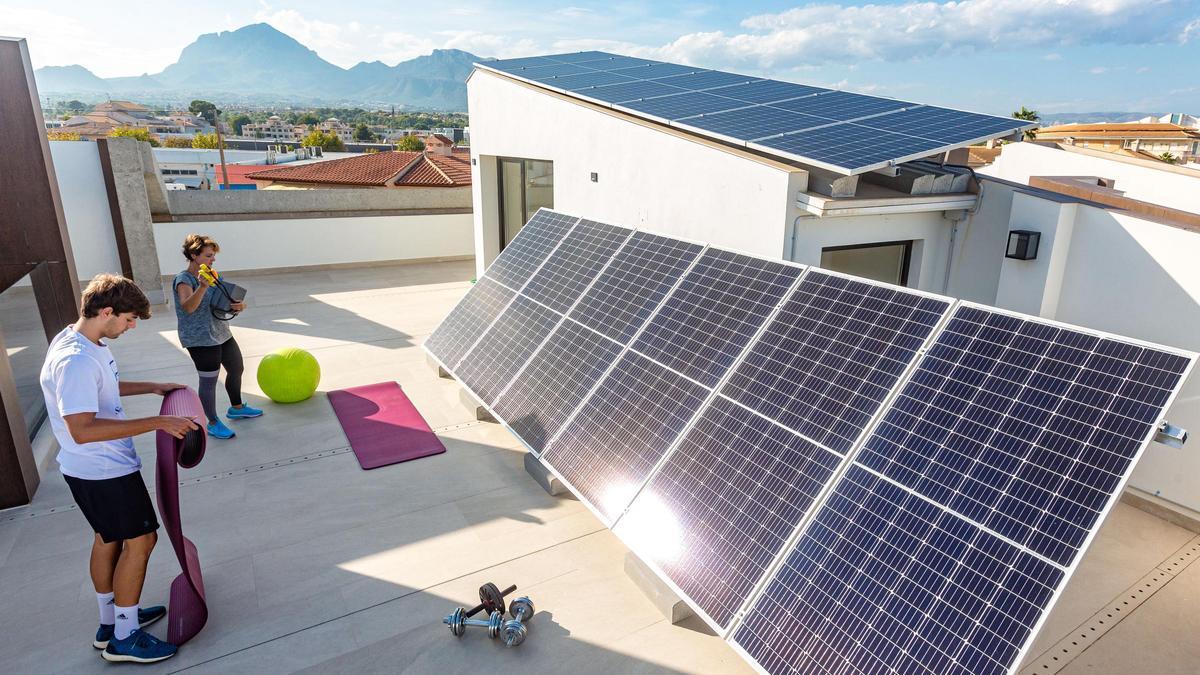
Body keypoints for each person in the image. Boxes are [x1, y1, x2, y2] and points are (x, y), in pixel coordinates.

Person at [39, 274, 199, 663]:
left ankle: (112, 620)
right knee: (141, 541)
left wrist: (151, 387)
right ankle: (124, 639)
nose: (130, 327)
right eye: (128, 320)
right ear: (106, 311)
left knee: (107, 539)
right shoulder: (74, 360)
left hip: (89, 471)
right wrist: (157, 423)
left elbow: (104, 385)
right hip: (104, 470)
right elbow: (81, 428)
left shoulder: (79, 340)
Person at [174, 234, 262, 439]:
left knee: (237, 368)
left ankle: (237, 408)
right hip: (200, 339)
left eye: (213, 255)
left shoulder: (213, 275)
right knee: (209, 381)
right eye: (208, 255)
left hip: (221, 332)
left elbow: (224, 301)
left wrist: (238, 306)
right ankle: (212, 422)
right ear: (194, 255)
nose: (213, 259)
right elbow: (187, 307)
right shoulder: (184, 280)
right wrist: (203, 287)